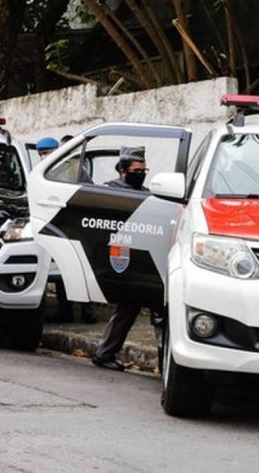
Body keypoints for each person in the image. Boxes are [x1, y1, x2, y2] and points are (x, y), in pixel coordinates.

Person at [91, 146, 149, 371]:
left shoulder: (145, 192)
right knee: (129, 305)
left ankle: (105, 352)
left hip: (140, 258)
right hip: (119, 255)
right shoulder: (111, 191)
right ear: (123, 171)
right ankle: (104, 352)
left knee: (133, 307)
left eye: (144, 169)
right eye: (137, 170)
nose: (141, 173)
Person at [43, 134, 98, 324]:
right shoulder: (59, 170)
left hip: (74, 225)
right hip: (64, 224)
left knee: (77, 267)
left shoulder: (74, 169)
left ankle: (84, 311)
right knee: (65, 268)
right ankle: (71, 310)